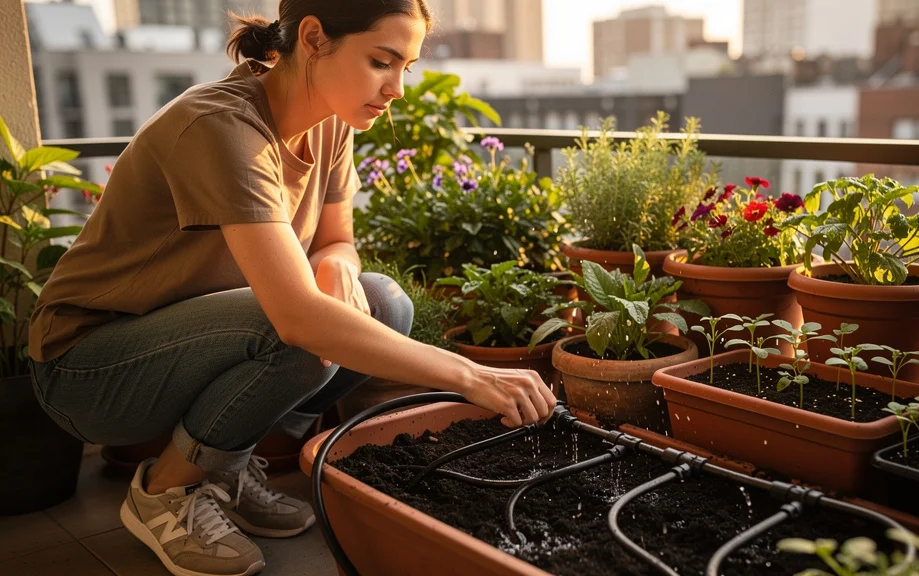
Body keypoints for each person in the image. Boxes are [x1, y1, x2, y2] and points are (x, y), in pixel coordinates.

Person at [27, 1, 557, 574]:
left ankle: (225, 466)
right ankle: (162, 495)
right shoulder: (223, 126)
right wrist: (471, 375)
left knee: (383, 302)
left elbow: (338, 240)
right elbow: (295, 319)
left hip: (192, 342)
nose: (397, 88)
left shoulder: (330, 117)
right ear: (312, 38)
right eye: (383, 61)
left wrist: (336, 267)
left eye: (407, 66)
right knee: (299, 333)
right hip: (87, 367)